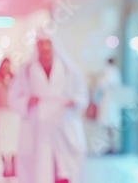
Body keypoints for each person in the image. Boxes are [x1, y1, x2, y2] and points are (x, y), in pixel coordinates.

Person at [8, 33, 89, 183]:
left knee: (64, 170)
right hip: (36, 126)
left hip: (64, 124)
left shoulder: (68, 68)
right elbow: (13, 97)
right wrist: (28, 101)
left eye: (48, 45)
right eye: (41, 45)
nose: (45, 49)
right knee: (39, 169)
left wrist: (73, 102)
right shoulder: (27, 70)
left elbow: (82, 95)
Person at [95, 58, 123, 154]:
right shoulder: (114, 72)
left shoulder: (110, 72)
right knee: (108, 125)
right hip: (109, 102)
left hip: (109, 103)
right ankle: (109, 146)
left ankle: (110, 147)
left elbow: (102, 85)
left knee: (109, 125)